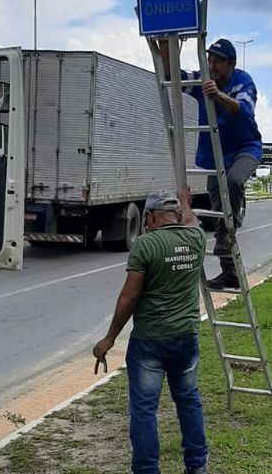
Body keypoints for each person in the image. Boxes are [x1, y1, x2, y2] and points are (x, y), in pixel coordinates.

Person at [93, 189, 208, 474]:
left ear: (150, 218)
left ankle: (146, 470)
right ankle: (197, 466)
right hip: (186, 338)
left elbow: (129, 297)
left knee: (144, 410)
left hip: (150, 343)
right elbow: (191, 219)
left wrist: (109, 338)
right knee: (189, 401)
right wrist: (185, 201)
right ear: (177, 215)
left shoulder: (145, 245)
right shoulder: (196, 238)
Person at [161, 38, 263, 290]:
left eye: (218, 61)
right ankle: (230, 273)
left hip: (244, 149)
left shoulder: (242, 81)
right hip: (214, 156)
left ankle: (233, 223)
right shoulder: (203, 79)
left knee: (234, 182)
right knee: (219, 217)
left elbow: (243, 109)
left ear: (232, 64)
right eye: (209, 60)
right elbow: (174, 77)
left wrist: (217, 96)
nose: (212, 65)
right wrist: (164, 45)